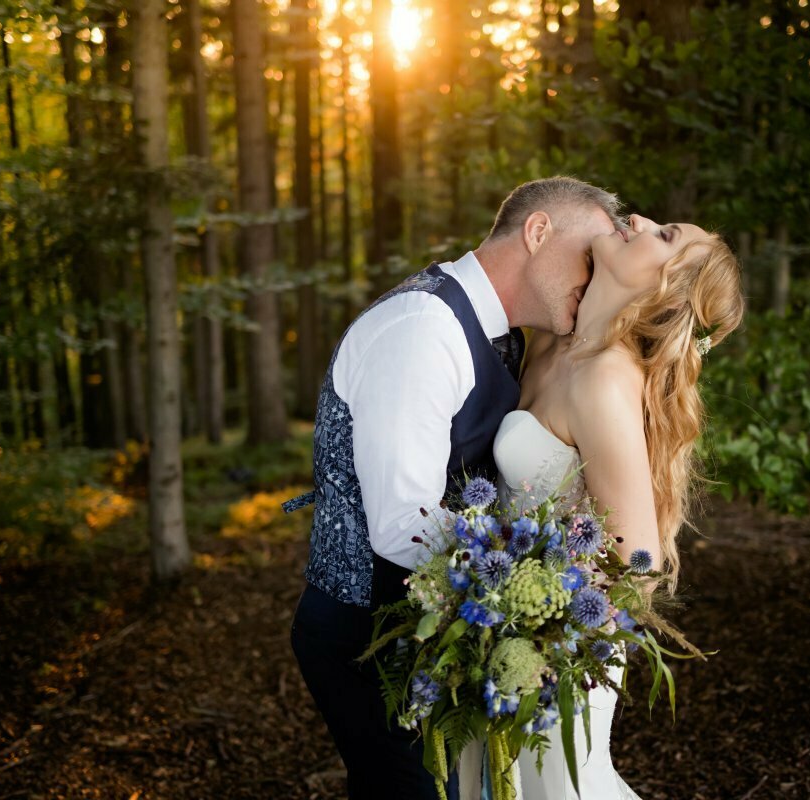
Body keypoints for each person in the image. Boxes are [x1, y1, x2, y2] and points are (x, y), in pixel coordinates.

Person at [288, 177, 622, 800]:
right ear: (538, 230)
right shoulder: (421, 328)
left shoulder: (505, 333)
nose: (595, 276)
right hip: (365, 635)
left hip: (425, 630)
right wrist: (527, 584)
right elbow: (400, 523)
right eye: (589, 256)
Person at [459, 213, 745, 798]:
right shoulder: (550, 343)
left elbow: (635, 561)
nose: (638, 219)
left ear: (666, 292)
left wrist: (541, 632)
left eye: (665, 236)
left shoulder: (606, 379)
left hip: (558, 648)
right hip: (495, 618)